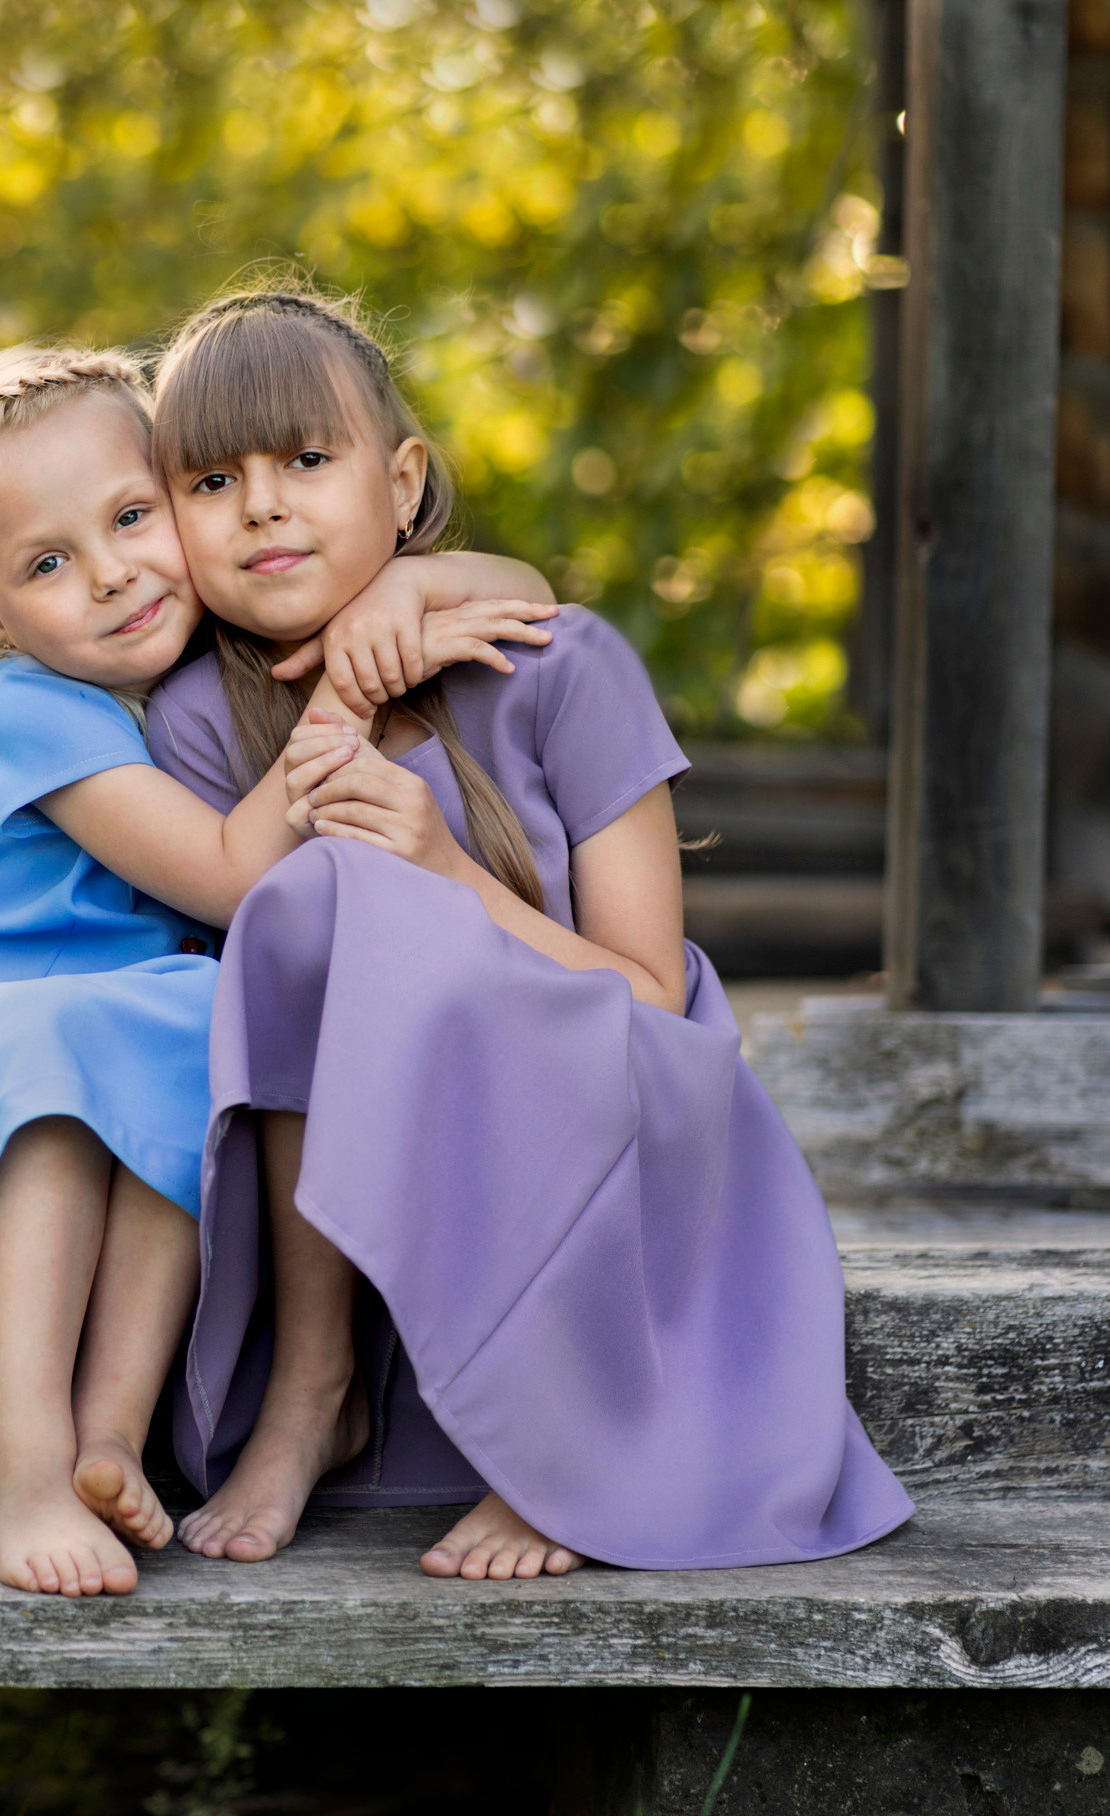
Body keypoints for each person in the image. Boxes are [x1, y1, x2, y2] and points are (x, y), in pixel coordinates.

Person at [0, 342, 561, 1598]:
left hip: (114, 1080)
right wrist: (346, 690)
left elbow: (524, 587)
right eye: (47, 563)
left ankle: (108, 1434)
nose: (110, 574)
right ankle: (25, 1458)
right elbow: (231, 875)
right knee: (77, 1039)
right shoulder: (33, 708)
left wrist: (392, 594)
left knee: (198, 1024)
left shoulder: (195, 672)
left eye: (133, 517)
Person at [144, 284, 915, 1578]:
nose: (261, 505)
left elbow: (651, 998)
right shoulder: (197, 722)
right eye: (211, 481)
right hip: (373, 1154)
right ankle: (316, 1386)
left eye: (307, 461)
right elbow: (252, 978)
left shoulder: (561, 665)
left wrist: (447, 870)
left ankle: (562, 1434)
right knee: (306, 909)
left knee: (384, 910)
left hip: (611, 1107)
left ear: (402, 483)